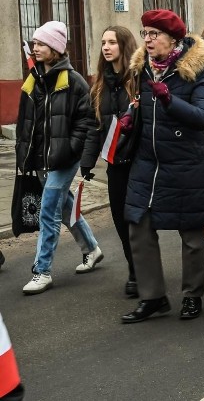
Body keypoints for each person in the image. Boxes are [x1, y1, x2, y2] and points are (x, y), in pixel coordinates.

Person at [122, 9, 204, 322]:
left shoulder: (195, 70)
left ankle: (192, 295)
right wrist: (129, 117)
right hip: (147, 162)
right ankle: (153, 297)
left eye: (154, 34)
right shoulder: (142, 70)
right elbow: (138, 106)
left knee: (190, 234)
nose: (147, 40)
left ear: (173, 39)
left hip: (185, 162)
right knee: (138, 227)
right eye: (145, 33)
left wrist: (170, 101)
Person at [17, 21, 104, 295]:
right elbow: (26, 122)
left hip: (64, 160)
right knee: (64, 207)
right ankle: (91, 247)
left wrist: (70, 149)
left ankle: (41, 271)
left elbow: (88, 122)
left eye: (41, 43)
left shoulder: (74, 81)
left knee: (48, 212)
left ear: (55, 48)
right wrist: (24, 154)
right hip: (41, 159)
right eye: (34, 42)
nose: (35, 47)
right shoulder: (33, 78)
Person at [81, 26, 138, 297]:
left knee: (139, 220)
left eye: (112, 42)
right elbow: (95, 126)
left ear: (123, 46)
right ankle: (134, 267)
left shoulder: (137, 80)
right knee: (120, 218)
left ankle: (141, 270)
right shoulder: (100, 85)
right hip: (114, 162)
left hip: (139, 161)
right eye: (103, 42)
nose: (106, 47)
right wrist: (87, 161)